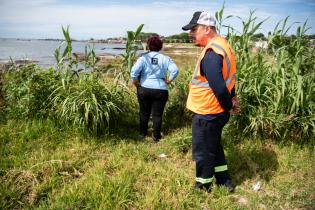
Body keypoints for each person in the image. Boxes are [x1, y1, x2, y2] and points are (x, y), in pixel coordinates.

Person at [182, 11, 240, 192]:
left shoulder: (212, 53)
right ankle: (224, 181)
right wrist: (233, 97)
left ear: (207, 28)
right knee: (214, 146)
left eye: (194, 29)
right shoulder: (223, 45)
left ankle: (203, 186)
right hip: (215, 111)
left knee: (203, 153)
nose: (191, 34)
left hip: (208, 112)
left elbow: (219, 87)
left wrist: (228, 105)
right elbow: (228, 78)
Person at [130, 36, 179, 142]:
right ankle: (156, 136)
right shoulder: (165, 58)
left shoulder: (143, 58)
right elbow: (175, 70)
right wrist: (169, 80)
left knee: (144, 112)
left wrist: (136, 83)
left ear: (148, 46)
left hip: (144, 88)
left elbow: (134, 72)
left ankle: (142, 134)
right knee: (157, 114)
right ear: (160, 47)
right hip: (161, 89)